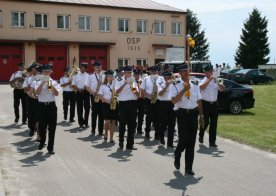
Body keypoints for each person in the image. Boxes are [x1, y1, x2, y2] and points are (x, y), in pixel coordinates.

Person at [169, 62, 204, 175]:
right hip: (182, 114)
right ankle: (177, 153)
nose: (187, 73)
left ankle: (188, 168)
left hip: (193, 114)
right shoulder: (175, 84)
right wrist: (184, 90)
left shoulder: (195, 84)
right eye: (185, 71)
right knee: (184, 140)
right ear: (180, 73)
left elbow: (199, 100)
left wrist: (201, 116)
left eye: (188, 70)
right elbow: (173, 101)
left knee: (191, 143)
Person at [34, 64, 61, 154]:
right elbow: (36, 93)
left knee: (52, 128)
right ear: (42, 72)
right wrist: (42, 83)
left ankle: (50, 147)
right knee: (41, 127)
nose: (46, 73)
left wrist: (48, 83)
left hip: (51, 107)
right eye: (44, 71)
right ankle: (42, 141)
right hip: (41, 106)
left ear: (50, 72)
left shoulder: (54, 82)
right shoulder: (36, 82)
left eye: (48, 71)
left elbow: (56, 93)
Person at [199, 64, 225, 147]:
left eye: (211, 71)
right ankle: (201, 133)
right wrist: (209, 80)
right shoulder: (203, 80)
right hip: (205, 104)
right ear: (205, 72)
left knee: (214, 123)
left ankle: (212, 142)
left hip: (214, 104)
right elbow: (201, 88)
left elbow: (222, 89)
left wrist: (218, 82)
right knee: (206, 122)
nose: (210, 72)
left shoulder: (217, 80)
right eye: (209, 71)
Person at [115, 66, 139, 150]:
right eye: (127, 72)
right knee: (122, 124)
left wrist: (132, 86)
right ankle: (121, 141)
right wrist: (124, 84)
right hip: (123, 104)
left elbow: (137, 94)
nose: (129, 74)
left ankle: (130, 144)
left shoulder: (133, 81)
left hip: (132, 103)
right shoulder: (119, 80)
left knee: (132, 125)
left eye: (130, 73)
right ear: (124, 73)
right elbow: (116, 92)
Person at [140, 65, 161, 140]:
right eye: (152, 71)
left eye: (155, 71)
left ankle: (157, 134)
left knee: (157, 117)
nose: (154, 72)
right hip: (148, 99)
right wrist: (149, 95)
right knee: (149, 116)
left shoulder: (161, 79)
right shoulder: (146, 79)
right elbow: (142, 90)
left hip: (158, 100)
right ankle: (147, 132)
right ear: (150, 72)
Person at [98, 70, 118, 142]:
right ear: (106, 77)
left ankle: (111, 138)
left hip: (115, 104)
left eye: (112, 76)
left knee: (113, 121)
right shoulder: (103, 86)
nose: (110, 78)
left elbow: (118, 93)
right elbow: (100, 96)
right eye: (109, 76)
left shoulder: (115, 84)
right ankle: (106, 133)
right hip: (106, 104)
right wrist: (107, 101)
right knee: (107, 121)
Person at [157, 71, 176, 147]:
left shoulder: (174, 84)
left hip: (172, 104)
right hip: (163, 104)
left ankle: (170, 143)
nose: (168, 79)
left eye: (170, 77)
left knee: (172, 124)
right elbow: (160, 93)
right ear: (164, 78)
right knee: (163, 123)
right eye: (167, 77)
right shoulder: (161, 84)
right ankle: (161, 137)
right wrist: (166, 86)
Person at [85, 62, 104, 135]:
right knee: (94, 113)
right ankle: (93, 129)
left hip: (102, 97)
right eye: (97, 67)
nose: (99, 68)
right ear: (94, 68)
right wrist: (93, 92)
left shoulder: (104, 75)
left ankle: (101, 131)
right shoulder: (91, 76)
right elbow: (87, 87)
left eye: (100, 67)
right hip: (94, 96)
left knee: (101, 114)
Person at [71, 63, 90, 128]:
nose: (84, 69)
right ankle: (81, 122)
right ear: (81, 67)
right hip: (79, 93)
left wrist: (85, 87)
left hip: (86, 93)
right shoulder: (76, 75)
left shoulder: (88, 75)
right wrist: (79, 89)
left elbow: (89, 84)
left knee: (87, 108)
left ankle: (86, 122)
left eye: (85, 68)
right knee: (80, 108)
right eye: (83, 68)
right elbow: (73, 85)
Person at [23, 63, 39, 137]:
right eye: (33, 69)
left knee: (39, 115)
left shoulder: (42, 78)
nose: (34, 70)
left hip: (40, 98)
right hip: (30, 98)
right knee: (30, 114)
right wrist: (32, 83)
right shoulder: (28, 78)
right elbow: (25, 90)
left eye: (36, 69)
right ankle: (31, 129)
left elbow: (50, 89)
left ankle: (38, 130)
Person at [133, 69, 144, 134]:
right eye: (135, 74)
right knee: (133, 115)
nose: (137, 76)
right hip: (134, 99)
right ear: (133, 75)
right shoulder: (132, 81)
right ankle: (133, 128)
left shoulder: (142, 81)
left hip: (141, 100)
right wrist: (137, 94)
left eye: (138, 74)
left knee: (141, 115)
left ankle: (139, 129)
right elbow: (133, 90)